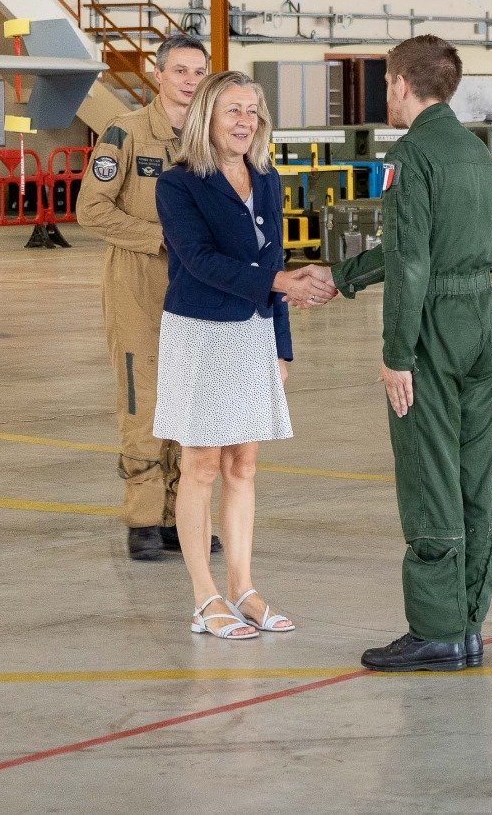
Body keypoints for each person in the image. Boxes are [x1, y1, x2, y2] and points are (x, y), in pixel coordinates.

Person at [323, 36, 492, 672]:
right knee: (472, 475)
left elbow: (412, 260)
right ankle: (469, 622)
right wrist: (343, 276)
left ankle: (436, 630)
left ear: (402, 84)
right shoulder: (475, 152)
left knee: (430, 477)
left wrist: (397, 353)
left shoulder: (413, 154)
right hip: (482, 320)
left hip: (435, 329)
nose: (387, 96)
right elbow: (443, 247)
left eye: (388, 85)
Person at [153, 71, 336, 640]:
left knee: (244, 465)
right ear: (207, 114)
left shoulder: (267, 177)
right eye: (232, 110)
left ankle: (243, 588)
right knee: (201, 464)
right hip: (200, 333)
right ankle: (204, 596)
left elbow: (272, 258)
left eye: (252, 111)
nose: (244, 121)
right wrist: (282, 284)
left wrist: (281, 342)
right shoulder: (177, 184)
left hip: (252, 333)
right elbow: (202, 261)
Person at [76, 34, 221, 561]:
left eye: (198, 71)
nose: (188, 80)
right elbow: (90, 209)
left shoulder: (215, 137)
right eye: (179, 70)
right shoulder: (127, 133)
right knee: (143, 402)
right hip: (138, 286)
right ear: (158, 75)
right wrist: (158, 237)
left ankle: (181, 516)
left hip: (200, 291)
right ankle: (143, 517)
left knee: (194, 405)